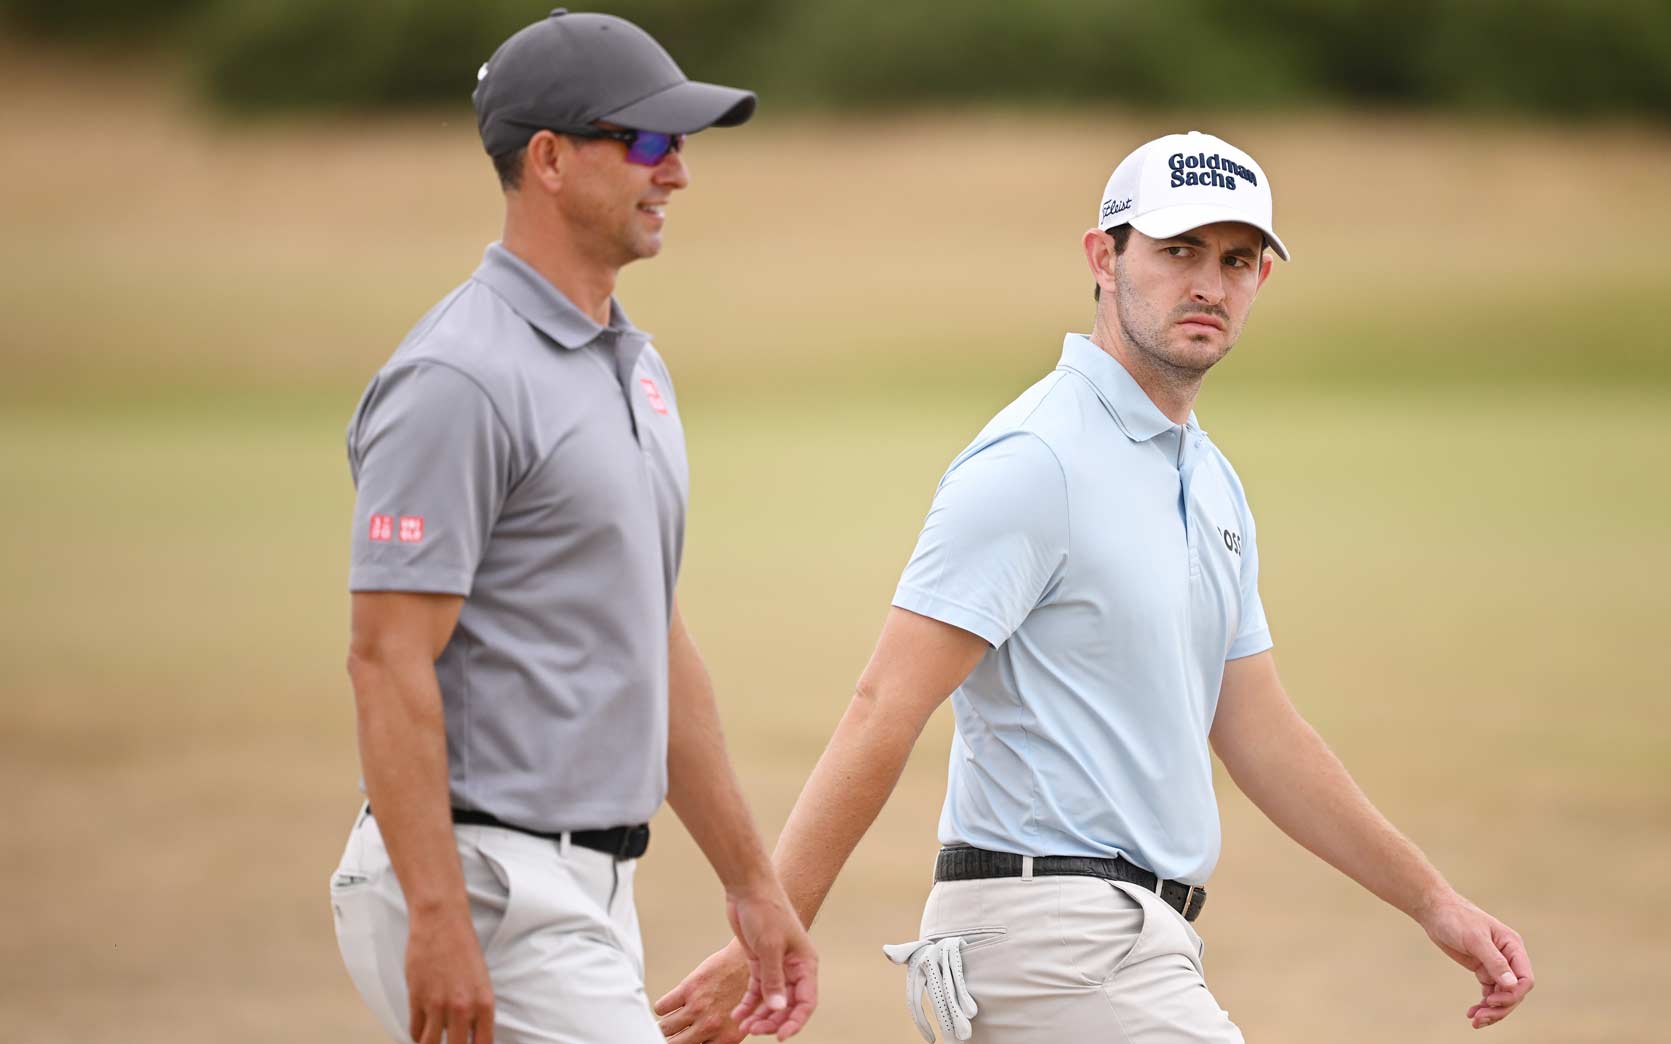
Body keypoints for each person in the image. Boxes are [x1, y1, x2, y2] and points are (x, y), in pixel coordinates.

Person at [654, 131, 1534, 1044]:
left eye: (1236, 260)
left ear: (1260, 283)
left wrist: (1433, 902)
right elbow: (885, 704)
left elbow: (1258, 728)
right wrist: (775, 929)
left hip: (1131, 944)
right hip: (1057, 943)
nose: (1208, 283)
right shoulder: (1038, 459)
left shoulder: (1210, 479)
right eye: (1177, 251)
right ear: (1102, 258)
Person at [331, 10, 816, 1044]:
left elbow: (653, 635)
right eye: (646, 141)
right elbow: (386, 658)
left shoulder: (632, 366)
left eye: (680, 145)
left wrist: (752, 883)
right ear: (547, 159)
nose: (675, 171)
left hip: (591, 885)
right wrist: (436, 918)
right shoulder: (455, 378)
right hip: (483, 882)